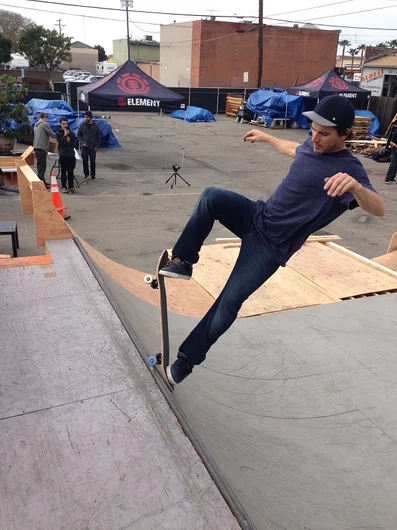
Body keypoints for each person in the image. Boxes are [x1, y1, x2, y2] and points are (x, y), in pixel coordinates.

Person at [159, 95, 386, 386]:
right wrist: (267, 137)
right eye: (312, 130)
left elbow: (379, 208)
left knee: (229, 301)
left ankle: (186, 360)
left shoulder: (349, 169)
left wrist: (356, 188)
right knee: (211, 196)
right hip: (257, 215)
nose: (315, 138)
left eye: (324, 134)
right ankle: (183, 261)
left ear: (344, 134)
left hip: (270, 248)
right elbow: (294, 149)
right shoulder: (311, 145)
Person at [33, 112, 56, 188]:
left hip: (36, 147)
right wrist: (61, 134)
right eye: (47, 117)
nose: (47, 119)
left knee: (39, 166)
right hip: (42, 147)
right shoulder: (44, 124)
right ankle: (41, 183)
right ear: (44, 117)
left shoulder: (36, 124)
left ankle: (42, 180)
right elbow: (52, 134)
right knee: (42, 166)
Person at [77, 110, 101, 181]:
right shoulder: (82, 125)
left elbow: (99, 136)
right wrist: (82, 141)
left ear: (91, 117)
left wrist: (97, 146)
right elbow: (79, 134)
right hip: (84, 147)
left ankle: (93, 175)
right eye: (85, 117)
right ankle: (86, 175)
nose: (86, 119)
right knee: (85, 161)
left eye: (87, 117)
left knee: (93, 161)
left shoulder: (96, 126)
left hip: (93, 147)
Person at [55, 117, 77, 193]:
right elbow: (61, 143)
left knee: (71, 171)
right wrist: (64, 136)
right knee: (63, 171)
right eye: (63, 124)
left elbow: (74, 144)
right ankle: (64, 186)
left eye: (66, 123)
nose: (65, 125)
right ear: (60, 124)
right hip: (63, 154)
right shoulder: (58, 133)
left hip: (71, 154)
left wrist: (68, 142)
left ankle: (71, 187)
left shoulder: (72, 133)